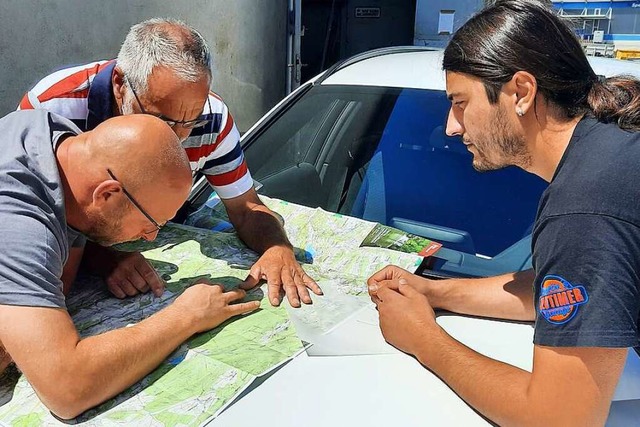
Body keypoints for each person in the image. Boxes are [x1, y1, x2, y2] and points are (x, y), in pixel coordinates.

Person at [367, 1, 640, 425]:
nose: (451, 127)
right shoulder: (610, 149)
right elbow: (566, 286)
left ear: (522, 93)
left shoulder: (585, 208)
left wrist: (422, 337)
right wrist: (435, 292)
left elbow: (558, 419)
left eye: (460, 103)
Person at [18, 18, 321, 308]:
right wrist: (103, 257)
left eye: (190, 122)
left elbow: (246, 208)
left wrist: (277, 248)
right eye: (161, 119)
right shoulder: (51, 106)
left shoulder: (212, 118)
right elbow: (27, 220)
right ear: (120, 83)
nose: (175, 139)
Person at [0, 110, 260, 419]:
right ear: (108, 193)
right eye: (151, 224)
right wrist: (186, 316)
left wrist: (105, 257)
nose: (150, 239)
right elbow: (68, 388)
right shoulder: (21, 225)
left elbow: (73, 229)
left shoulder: (55, 138)